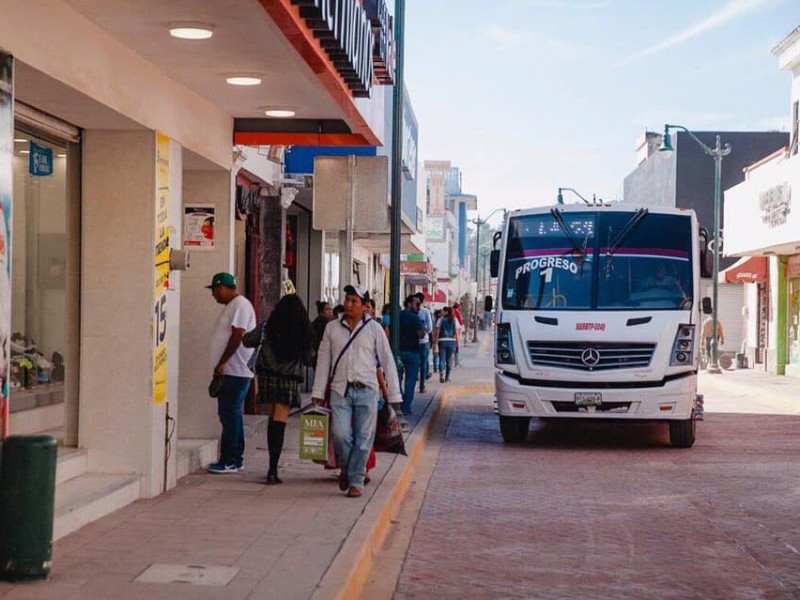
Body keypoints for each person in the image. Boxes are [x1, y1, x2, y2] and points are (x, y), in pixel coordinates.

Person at [312, 285, 401, 498]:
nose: (348, 304)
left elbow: (387, 361)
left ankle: (356, 480)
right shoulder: (332, 328)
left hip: (367, 390)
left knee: (363, 438)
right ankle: (348, 468)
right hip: (340, 390)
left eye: (354, 301)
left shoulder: (374, 329)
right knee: (341, 434)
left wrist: (394, 394)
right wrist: (317, 389)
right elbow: (323, 360)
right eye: (347, 300)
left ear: (364, 306)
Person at [243, 294, 314, 484]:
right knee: (280, 423)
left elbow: (247, 340)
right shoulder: (302, 331)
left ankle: (271, 468)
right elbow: (309, 359)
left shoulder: (268, 326)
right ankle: (273, 469)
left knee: (271, 419)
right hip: (289, 381)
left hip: (267, 377)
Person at [207, 272, 256, 474]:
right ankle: (235, 458)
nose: (213, 296)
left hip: (235, 370)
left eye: (214, 291)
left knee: (229, 414)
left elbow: (238, 334)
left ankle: (229, 460)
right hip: (232, 370)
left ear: (221, 288)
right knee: (232, 414)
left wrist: (223, 362)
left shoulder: (240, 305)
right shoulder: (234, 306)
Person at [398, 295, 424, 416]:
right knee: (410, 381)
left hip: (398, 352)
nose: (419, 307)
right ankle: (406, 407)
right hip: (412, 353)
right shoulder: (415, 318)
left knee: (397, 381)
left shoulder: (398, 315)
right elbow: (420, 335)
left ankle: (400, 401)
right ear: (409, 304)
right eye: (417, 304)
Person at [433, 306, 460, 383]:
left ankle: (441, 372)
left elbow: (437, 332)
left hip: (441, 341)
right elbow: (457, 333)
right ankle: (447, 378)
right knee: (448, 360)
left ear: (446, 312)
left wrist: (435, 343)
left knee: (441, 359)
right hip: (451, 342)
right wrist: (458, 344)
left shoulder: (440, 320)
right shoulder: (455, 320)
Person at [413, 292, 433, 393]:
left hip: (416, 341)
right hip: (423, 341)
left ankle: (416, 384)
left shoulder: (412, 312)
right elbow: (429, 328)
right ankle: (422, 386)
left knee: (415, 364)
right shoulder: (425, 312)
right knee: (423, 364)